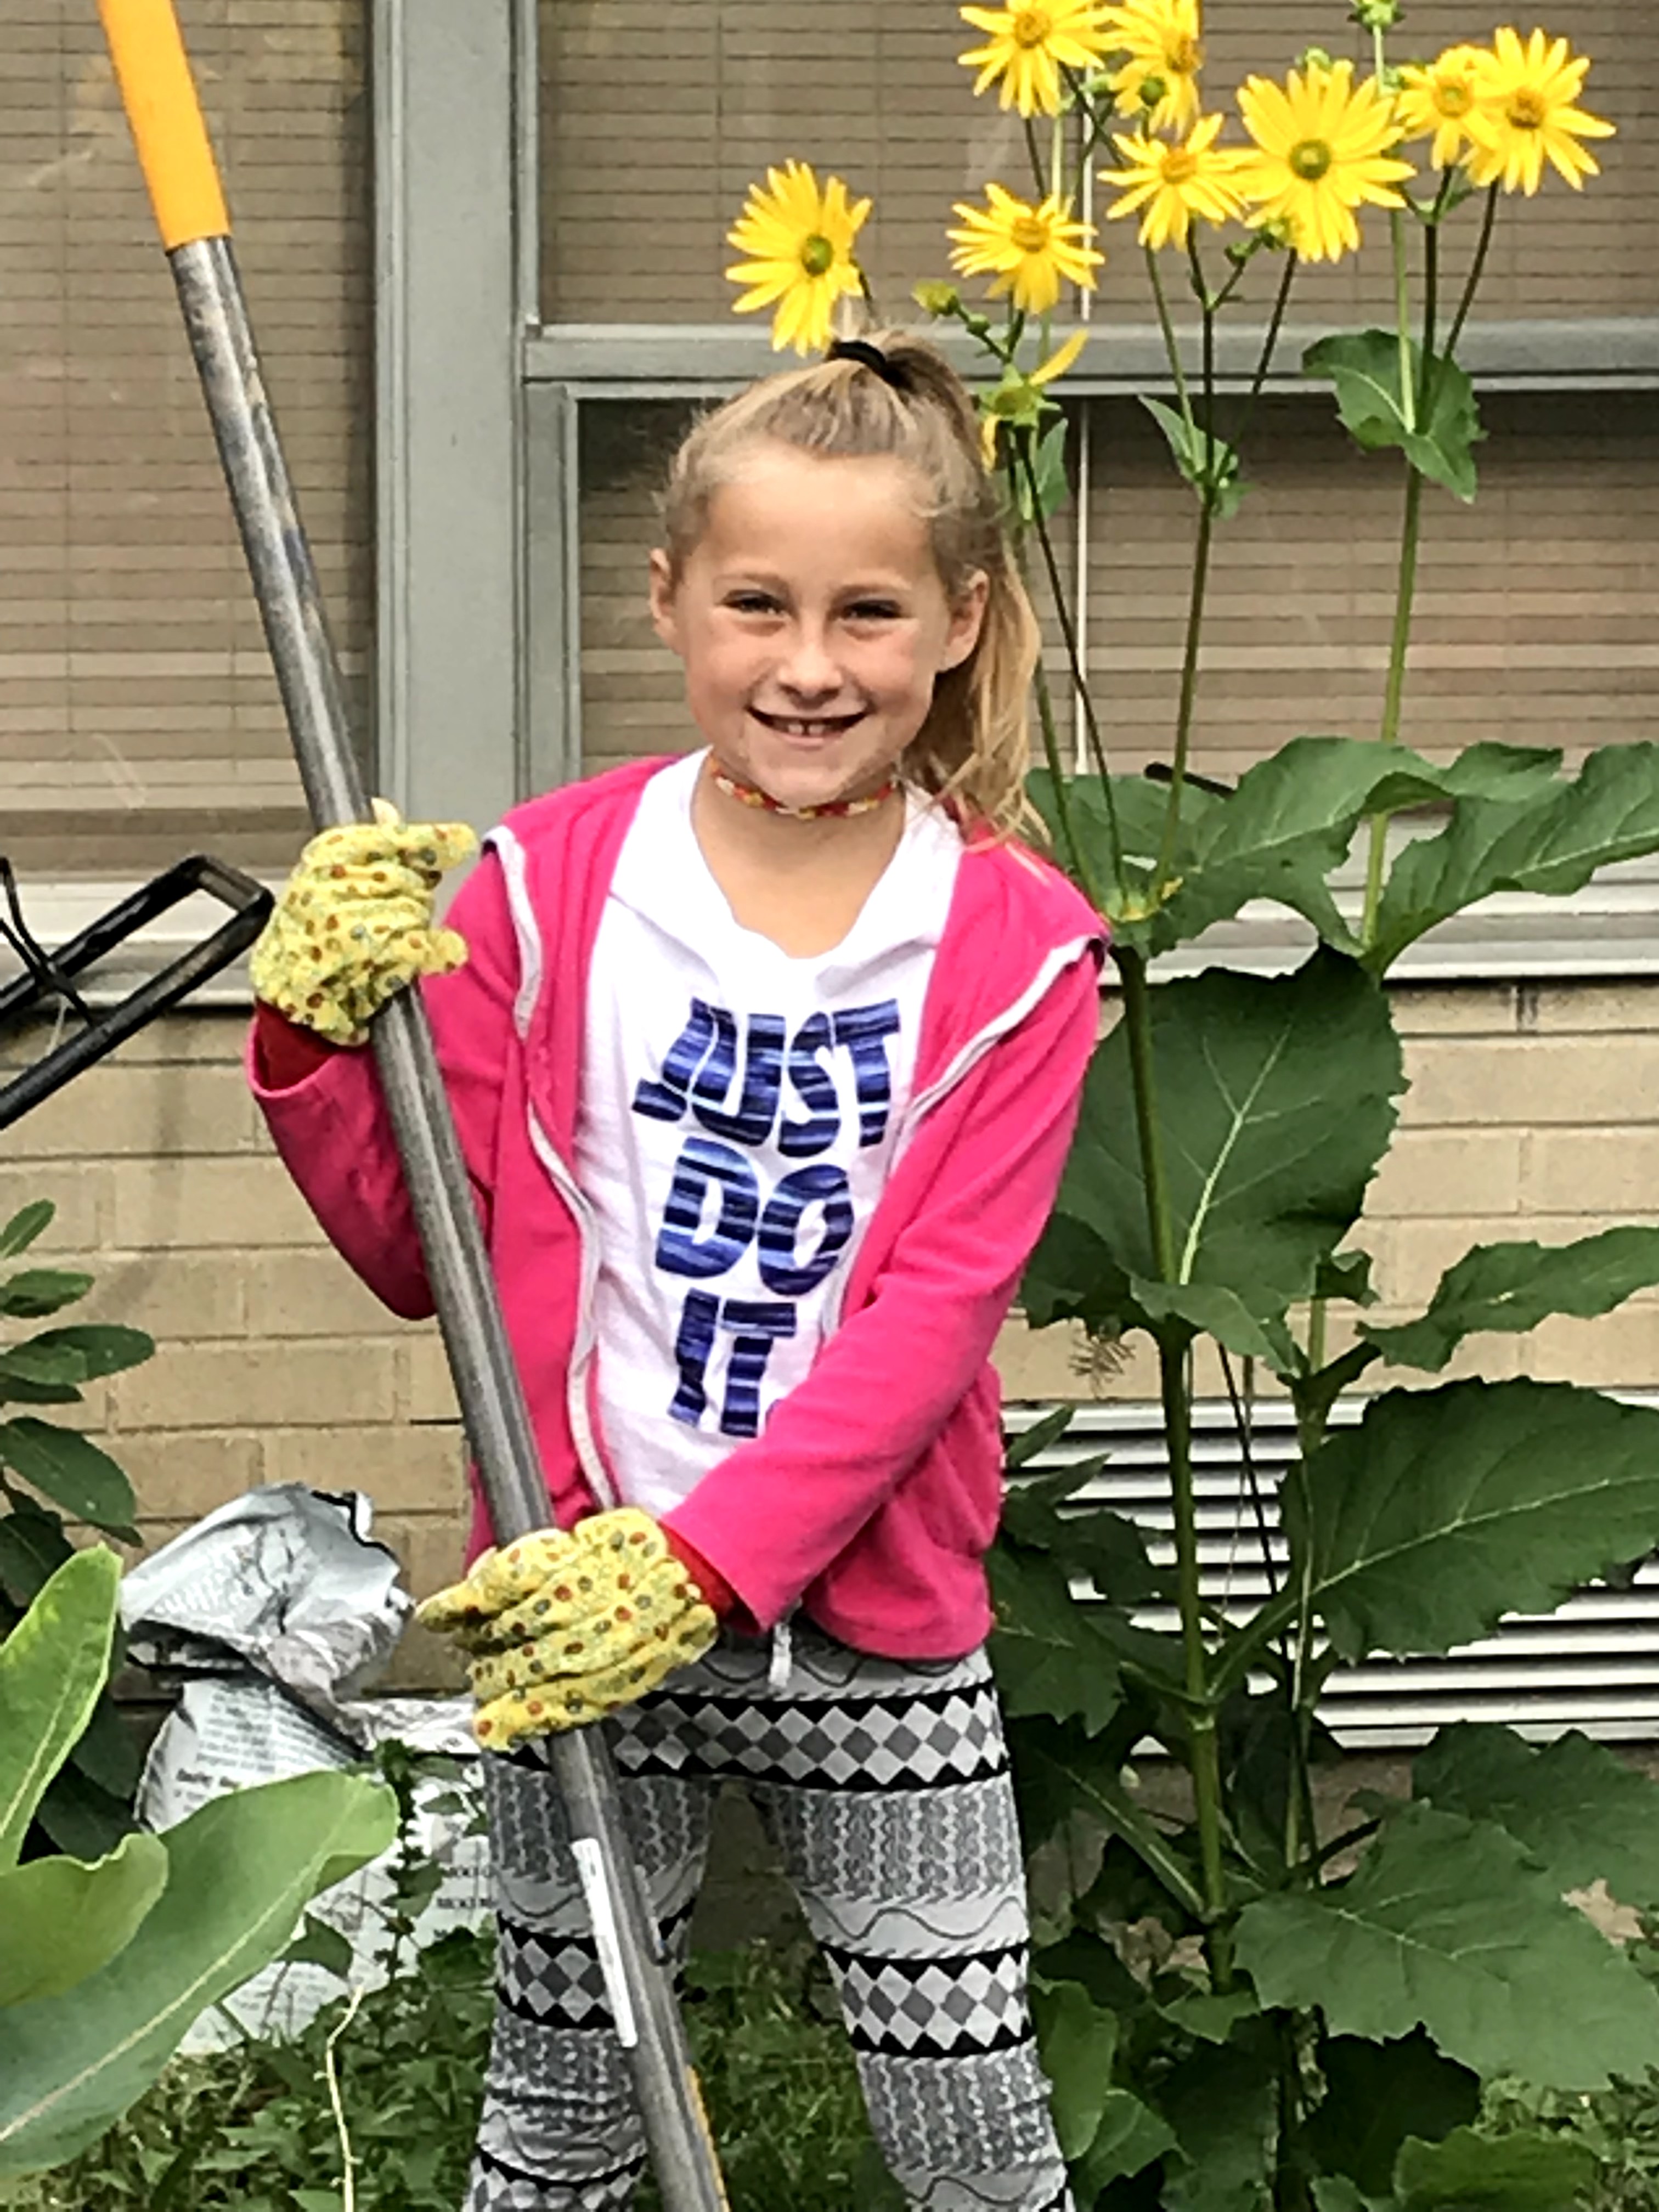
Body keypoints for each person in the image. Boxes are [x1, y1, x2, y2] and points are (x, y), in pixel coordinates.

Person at [248, 330, 1104, 2212]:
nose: (811, 664)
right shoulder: (537, 895)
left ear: (958, 623)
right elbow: (426, 1263)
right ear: (670, 604)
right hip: (577, 1598)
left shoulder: (1017, 953)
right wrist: (314, 1050)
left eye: (868, 612)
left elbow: (932, 1321)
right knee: (561, 2116)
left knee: (967, 2125)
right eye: (758, 605)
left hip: (874, 1627)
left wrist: (708, 1563)